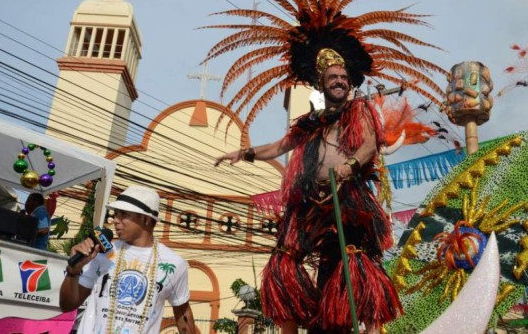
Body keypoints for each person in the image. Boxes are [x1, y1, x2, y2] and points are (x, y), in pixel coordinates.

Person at [215, 49, 402, 334]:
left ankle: (372, 331)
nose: (339, 81)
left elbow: (368, 145)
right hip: (311, 201)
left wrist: (349, 166)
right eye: (333, 77)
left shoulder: (358, 110)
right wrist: (244, 153)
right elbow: (279, 147)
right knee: (283, 259)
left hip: (347, 197)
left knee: (358, 264)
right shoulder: (310, 122)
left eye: (343, 77)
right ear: (321, 84)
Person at [59, 185, 196, 334]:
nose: (115, 220)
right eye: (115, 214)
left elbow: (183, 313)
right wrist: (73, 272)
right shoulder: (102, 253)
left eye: (123, 214)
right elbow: (67, 305)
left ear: (146, 219)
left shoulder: (174, 263)